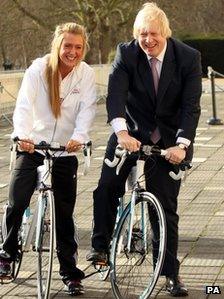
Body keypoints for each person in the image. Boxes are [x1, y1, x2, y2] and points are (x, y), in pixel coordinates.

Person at [86, 2, 201, 297]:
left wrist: (181, 144)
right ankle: (100, 247)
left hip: (168, 141)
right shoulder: (127, 53)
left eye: (153, 35)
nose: (148, 40)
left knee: (164, 208)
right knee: (106, 187)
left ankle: (170, 274)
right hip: (130, 133)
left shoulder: (188, 58)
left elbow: (190, 107)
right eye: (142, 35)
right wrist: (121, 132)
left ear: (165, 33)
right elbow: (115, 95)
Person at [0, 22, 96, 296]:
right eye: (68, 46)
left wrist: (80, 135)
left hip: (65, 150)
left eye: (78, 47)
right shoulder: (38, 69)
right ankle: (6, 254)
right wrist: (22, 136)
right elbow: (23, 106)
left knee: (64, 215)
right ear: (57, 45)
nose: (73, 52)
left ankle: (70, 273)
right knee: (17, 201)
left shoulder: (86, 74)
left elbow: (88, 108)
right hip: (32, 147)